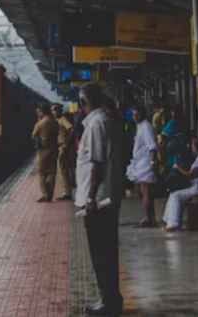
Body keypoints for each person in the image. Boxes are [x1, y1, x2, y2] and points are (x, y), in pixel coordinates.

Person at [75, 84, 124, 316]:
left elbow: (96, 164)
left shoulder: (96, 124)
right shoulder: (106, 120)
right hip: (107, 197)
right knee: (107, 250)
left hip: (99, 200)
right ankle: (111, 299)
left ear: (86, 103)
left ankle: (108, 303)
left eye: (80, 104)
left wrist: (91, 197)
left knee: (101, 252)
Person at [162, 138, 198, 231]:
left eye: (193, 146)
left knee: (176, 196)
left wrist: (177, 168)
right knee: (174, 194)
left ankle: (173, 223)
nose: (191, 148)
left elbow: (189, 174)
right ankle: (168, 221)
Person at [126, 106, 158, 227]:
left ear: (141, 114)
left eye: (136, 114)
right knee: (144, 192)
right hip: (140, 164)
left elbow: (152, 147)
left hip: (146, 164)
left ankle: (149, 219)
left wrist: (152, 163)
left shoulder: (146, 126)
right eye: (133, 114)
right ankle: (151, 218)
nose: (134, 117)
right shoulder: (140, 126)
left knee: (146, 192)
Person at [32, 103, 59, 202]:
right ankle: (50, 195)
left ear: (42, 111)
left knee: (42, 173)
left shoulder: (40, 123)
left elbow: (33, 135)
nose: (37, 113)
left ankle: (45, 194)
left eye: (38, 111)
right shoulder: (55, 122)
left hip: (43, 150)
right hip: (54, 149)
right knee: (52, 172)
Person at [52, 104, 74, 201]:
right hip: (60, 146)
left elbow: (71, 129)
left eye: (53, 110)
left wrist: (66, 143)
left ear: (58, 110)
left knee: (63, 170)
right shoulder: (57, 120)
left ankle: (67, 193)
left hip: (63, 147)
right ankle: (66, 191)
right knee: (62, 170)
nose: (52, 112)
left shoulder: (62, 119)